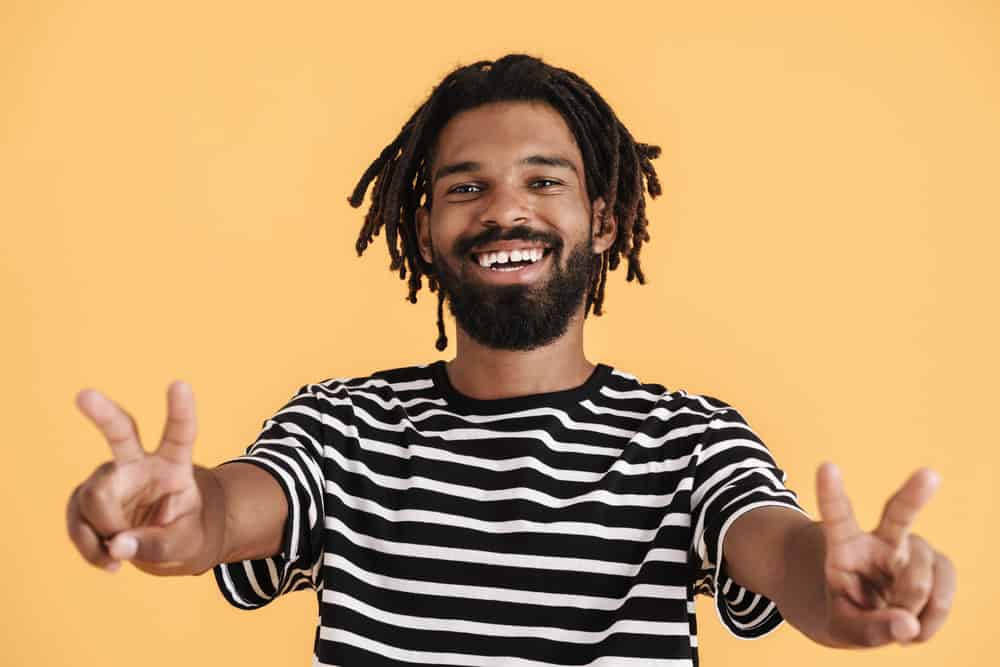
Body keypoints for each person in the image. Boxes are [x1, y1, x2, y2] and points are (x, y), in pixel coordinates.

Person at [67, 54, 955, 666]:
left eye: (543, 180)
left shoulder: (689, 441)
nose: (505, 210)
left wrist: (854, 592)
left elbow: (789, 560)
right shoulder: (340, 428)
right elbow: (222, 516)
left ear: (602, 221)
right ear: (425, 229)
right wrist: (164, 516)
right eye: (466, 186)